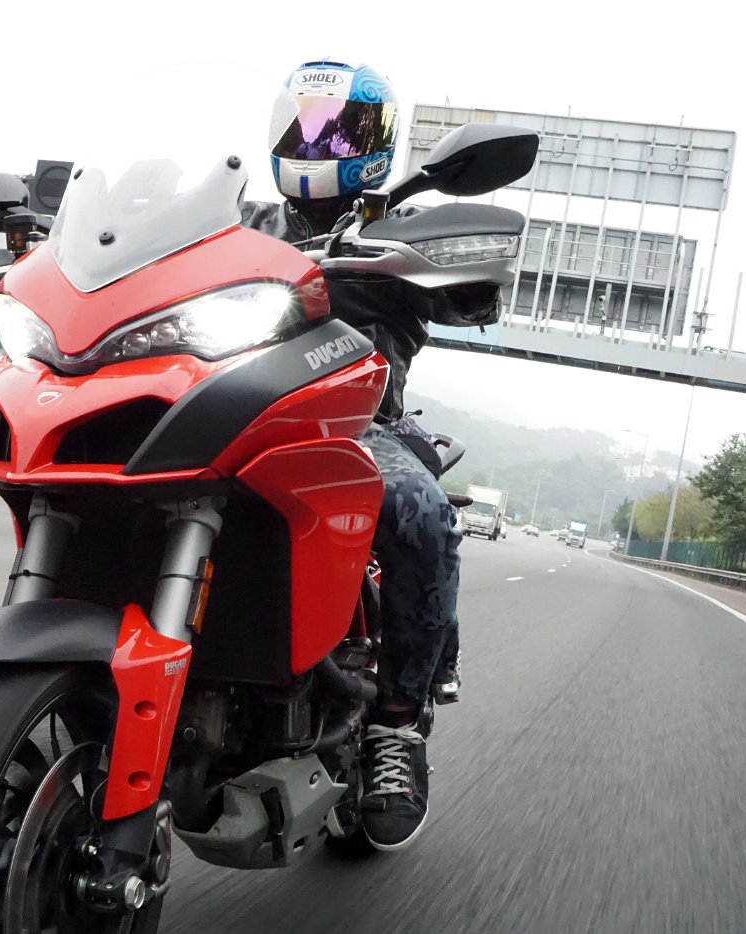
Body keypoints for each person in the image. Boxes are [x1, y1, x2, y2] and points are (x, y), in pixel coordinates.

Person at [242, 59, 465, 851]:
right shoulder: (243, 220)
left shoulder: (395, 228)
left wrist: (461, 274)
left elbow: (461, 287)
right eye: (305, 126)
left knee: (421, 513)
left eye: (339, 132)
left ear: (376, 144)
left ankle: (396, 723)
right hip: (233, 406)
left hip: (356, 421)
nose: (318, 143)